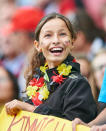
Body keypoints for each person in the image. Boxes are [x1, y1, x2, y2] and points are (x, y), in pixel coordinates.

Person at [5, 13, 97, 123]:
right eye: (48, 35)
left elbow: (73, 126)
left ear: (72, 42)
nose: (56, 40)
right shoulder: (36, 82)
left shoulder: (78, 84)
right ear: (37, 45)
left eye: (62, 34)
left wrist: (30, 109)